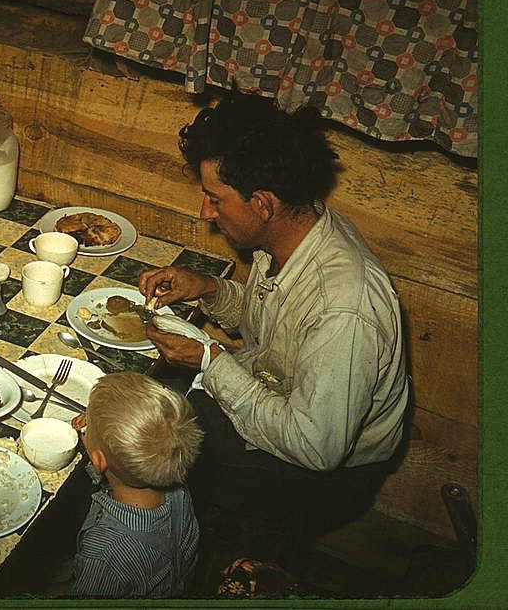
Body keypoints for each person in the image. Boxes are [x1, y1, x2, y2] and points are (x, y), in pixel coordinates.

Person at [138, 92, 409, 553]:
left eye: (214, 198)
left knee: (151, 443)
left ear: (262, 203)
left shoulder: (345, 308)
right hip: (281, 401)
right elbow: (273, 326)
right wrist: (208, 288)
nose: (205, 211)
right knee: (158, 402)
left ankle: (160, 560)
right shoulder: (297, 230)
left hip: (321, 472)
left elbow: (315, 448)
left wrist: (211, 360)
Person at [68, 372, 203, 598]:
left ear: (99, 460)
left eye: (87, 422)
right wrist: (94, 443)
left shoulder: (103, 555)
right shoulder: (178, 490)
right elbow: (117, 473)